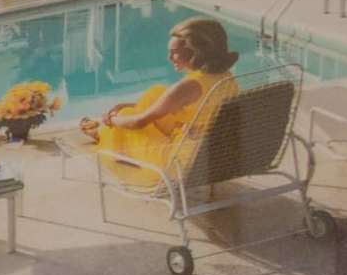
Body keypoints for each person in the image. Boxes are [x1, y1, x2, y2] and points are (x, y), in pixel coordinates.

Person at [73, 16, 241, 180]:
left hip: (180, 161)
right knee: (156, 93)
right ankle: (107, 129)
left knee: (126, 115)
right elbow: (182, 106)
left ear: (197, 52)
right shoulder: (224, 76)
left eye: (175, 53)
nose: (169, 58)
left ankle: (103, 132)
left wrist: (112, 120)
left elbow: (139, 122)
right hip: (211, 152)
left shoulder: (190, 86)